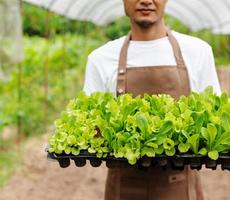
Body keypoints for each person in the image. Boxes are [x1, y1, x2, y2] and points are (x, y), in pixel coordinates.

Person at [83, 0, 221, 199]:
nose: (146, 0)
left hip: (181, 189)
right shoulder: (101, 58)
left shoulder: (198, 52)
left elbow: (214, 121)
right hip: (123, 189)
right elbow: (90, 127)